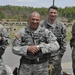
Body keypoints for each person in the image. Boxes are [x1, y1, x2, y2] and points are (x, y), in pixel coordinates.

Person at [41, 5, 67, 75]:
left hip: (56, 57)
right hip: (43, 56)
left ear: (57, 14)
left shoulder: (61, 26)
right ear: (48, 13)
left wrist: (60, 54)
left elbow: (64, 41)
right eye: (51, 12)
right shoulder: (41, 25)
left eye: (55, 13)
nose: (53, 14)